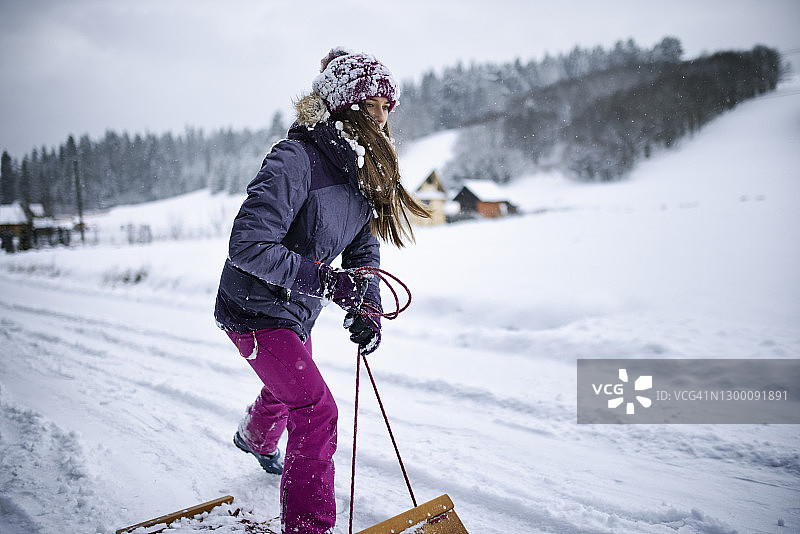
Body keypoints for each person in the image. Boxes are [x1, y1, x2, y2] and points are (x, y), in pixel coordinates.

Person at [214, 48, 429, 534]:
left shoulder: (358, 170)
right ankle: (309, 528)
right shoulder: (296, 159)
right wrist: (329, 283)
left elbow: (362, 248)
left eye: (385, 108)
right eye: (369, 106)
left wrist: (367, 303)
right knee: (315, 409)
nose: (381, 118)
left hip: (295, 309)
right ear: (341, 106)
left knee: (291, 381)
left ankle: (255, 437)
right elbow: (246, 245)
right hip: (252, 308)